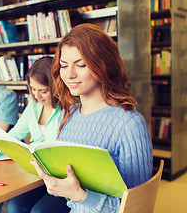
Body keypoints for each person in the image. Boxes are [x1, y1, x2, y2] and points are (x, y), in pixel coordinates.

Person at [30, 23, 153, 212]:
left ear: (103, 65)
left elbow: (138, 208)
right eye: (64, 65)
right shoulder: (67, 115)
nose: (69, 74)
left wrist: (80, 195)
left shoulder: (129, 124)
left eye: (81, 65)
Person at [0, 56, 69, 213]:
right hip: (37, 176)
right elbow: (15, 134)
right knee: (15, 206)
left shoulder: (67, 110)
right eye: (33, 89)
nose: (37, 96)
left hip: (61, 179)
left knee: (39, 211)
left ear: (56, 86)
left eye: (43, 91)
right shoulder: (34, 106)